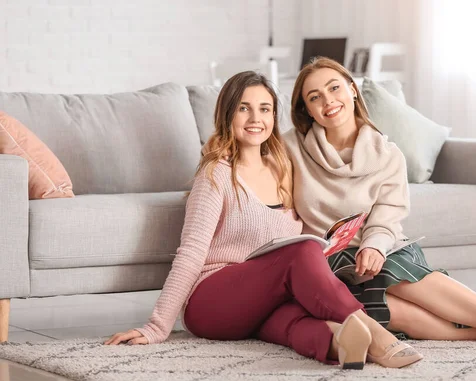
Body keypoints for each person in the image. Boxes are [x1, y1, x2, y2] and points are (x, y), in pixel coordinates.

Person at [104, 71, 423, 369]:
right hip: (212, 303)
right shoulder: (216, 174)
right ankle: (379, 337)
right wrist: (157, 326)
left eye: (265, 109)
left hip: (262, 303)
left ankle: (344, 345)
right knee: (301, 252)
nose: (256, 118)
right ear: (228, 115)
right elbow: (191, 252)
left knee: (296, 321)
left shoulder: (285, 170)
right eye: (244, 108)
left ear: (274, 116)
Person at [284, 57, 476, 349]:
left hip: (381, 247)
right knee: (385, 304)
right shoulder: (290, 147)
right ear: (307, 109)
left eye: (334, 88)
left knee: (391, 274)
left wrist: (374, 245)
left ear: (351, 89)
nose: (328, 101)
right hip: (328, 260)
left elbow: (388, 212)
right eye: (315, 97)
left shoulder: (387, 154)